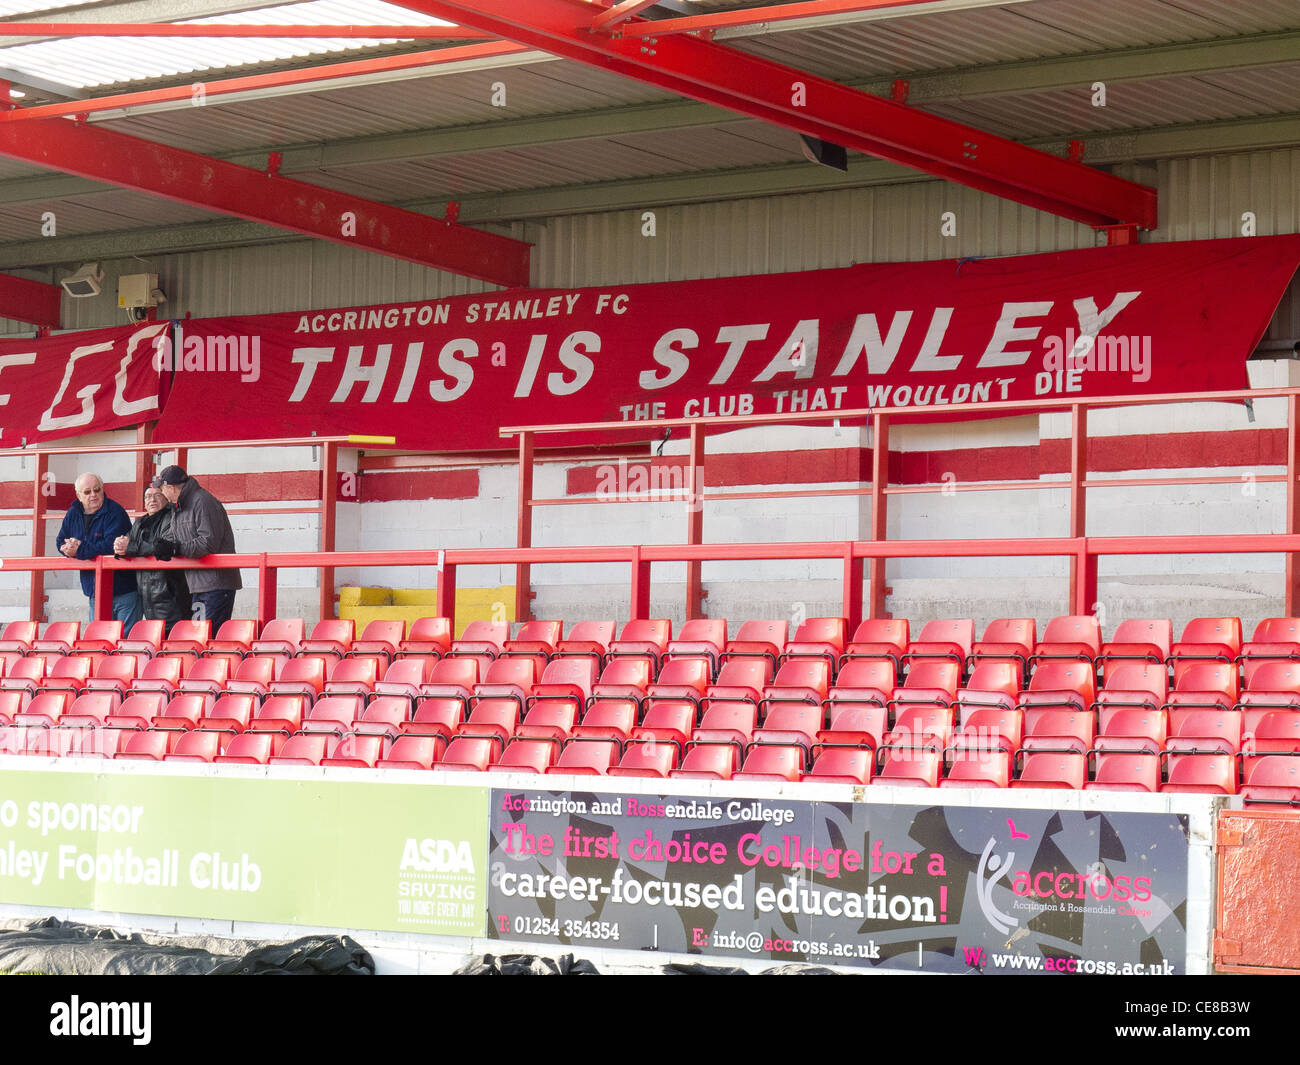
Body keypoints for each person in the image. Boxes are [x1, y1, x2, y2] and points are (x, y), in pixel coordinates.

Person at [151, 465, 241, 631]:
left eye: (161, 489)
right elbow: (173, 536)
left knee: (207, 638)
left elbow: (208, 543)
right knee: (199, 637)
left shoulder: (202, 501)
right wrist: (158, 546)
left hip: (217, 584)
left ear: (170, 488)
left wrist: (176, 549)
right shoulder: (179, 506)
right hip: (199, 584)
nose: (161, 493)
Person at [55, 472, 142, 627]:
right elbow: (60, 539)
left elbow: (110, 546)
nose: (93, 495)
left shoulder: (115, 512)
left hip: (124, 590)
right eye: (87, 492)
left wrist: (79, 550)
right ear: (78, 495)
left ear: (103, 490)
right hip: (94, 591)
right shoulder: (73, 513)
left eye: (97, 490)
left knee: (126, 644)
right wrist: (67, 548)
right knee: (100, 643)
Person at [113, 486, 192, 635]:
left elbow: (161, 547)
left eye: (157, 495)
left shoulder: (173, 518)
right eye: (148, 497)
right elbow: (129, 543)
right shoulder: (139, 523)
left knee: (175, 639)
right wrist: (119, 547)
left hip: (171, 594)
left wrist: (129, 547)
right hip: (147, 596)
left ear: (166, 498)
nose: (152, 500)